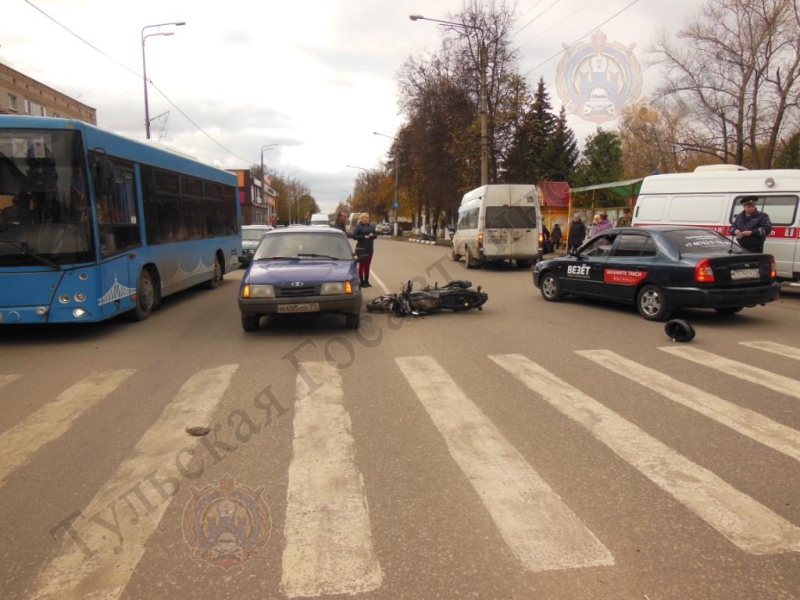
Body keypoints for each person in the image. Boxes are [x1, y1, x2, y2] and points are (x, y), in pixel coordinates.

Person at [353, 213, 377, 287]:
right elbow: (354, 236)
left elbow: (376, 234)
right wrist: (364, 236)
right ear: (362, 218)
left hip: (370, 248)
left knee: (367, 265)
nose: (367, 219)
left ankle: (367, 281)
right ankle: (361, 281)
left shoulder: (371, 226)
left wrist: (373, 235)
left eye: (368, 217)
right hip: (362, 249)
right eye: (366, 217)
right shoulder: (358, 226)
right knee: (362, 265)